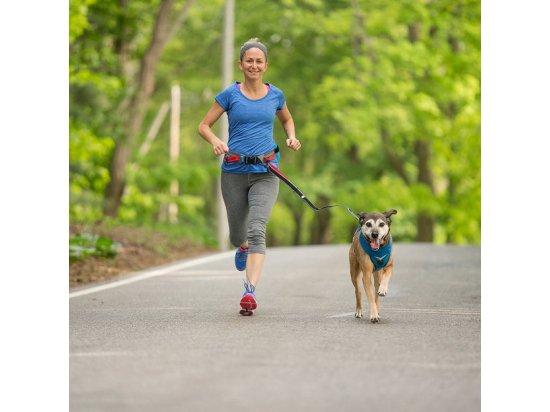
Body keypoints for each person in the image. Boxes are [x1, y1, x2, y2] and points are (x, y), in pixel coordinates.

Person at [198, 37, 301, 315]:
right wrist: (216, 141)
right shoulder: (230, 95)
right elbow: (204, 125)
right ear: (241, 64)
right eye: (249, 61)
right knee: (238, 234)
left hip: (266, 171)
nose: (254, 65)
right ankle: (241, 246)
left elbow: (287, 119)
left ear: (266, 65)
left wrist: (291, 137)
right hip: (233, 171)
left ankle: (249, 291)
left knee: (257, 230)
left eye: (259, 61)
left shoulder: (275, 95)